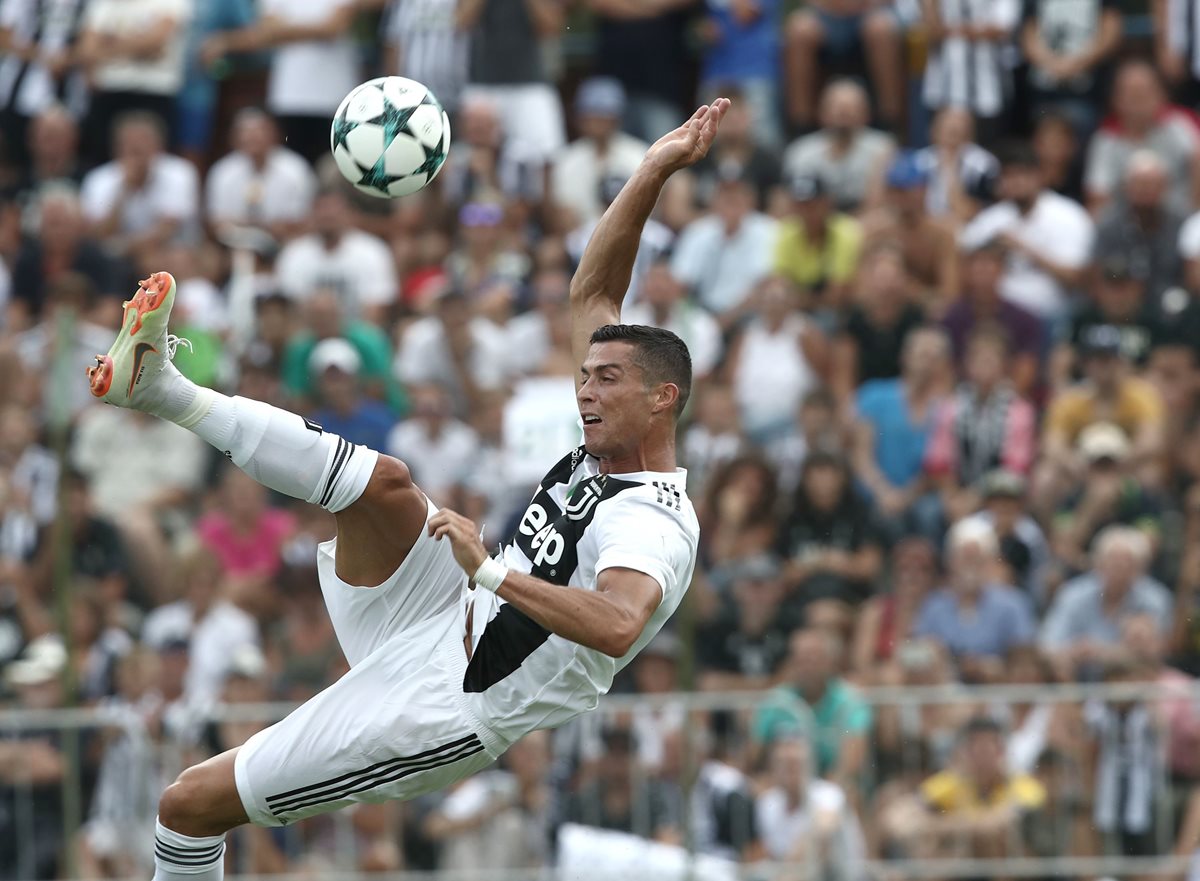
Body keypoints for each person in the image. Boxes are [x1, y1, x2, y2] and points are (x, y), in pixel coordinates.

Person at [83, 100, 727, 881]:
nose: (585, 390)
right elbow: (593, 292)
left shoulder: (653, 520)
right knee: (384, 484)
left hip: (447, 704)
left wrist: (491, 572)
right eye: (585, 376)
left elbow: (622, 623)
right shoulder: (605, 448)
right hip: (442, 608)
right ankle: (161, 388)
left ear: (662, 399)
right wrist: (652, 169)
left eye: (608, 380)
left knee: (188, 803)